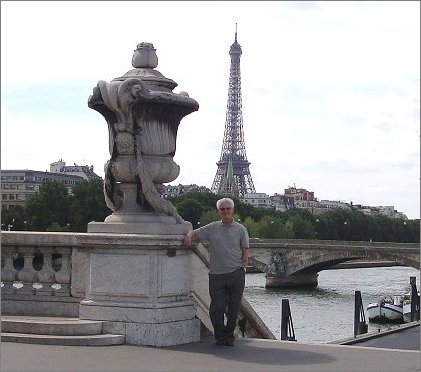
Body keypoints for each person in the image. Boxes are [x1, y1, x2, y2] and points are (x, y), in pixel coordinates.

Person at [184, 197, 249, 346]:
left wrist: (243, 268)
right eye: (223, 209)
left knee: (233, 308)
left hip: (236, 273)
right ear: (218, 211)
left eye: (228, 209)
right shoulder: (212, 228)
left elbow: (245, 249)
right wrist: (188, 236)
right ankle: (220, 335)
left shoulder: (240, 229)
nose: (225, 211)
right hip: (216, 275)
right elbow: (194, 233)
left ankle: (229, 336)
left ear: (232, 210)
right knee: (216, 308)